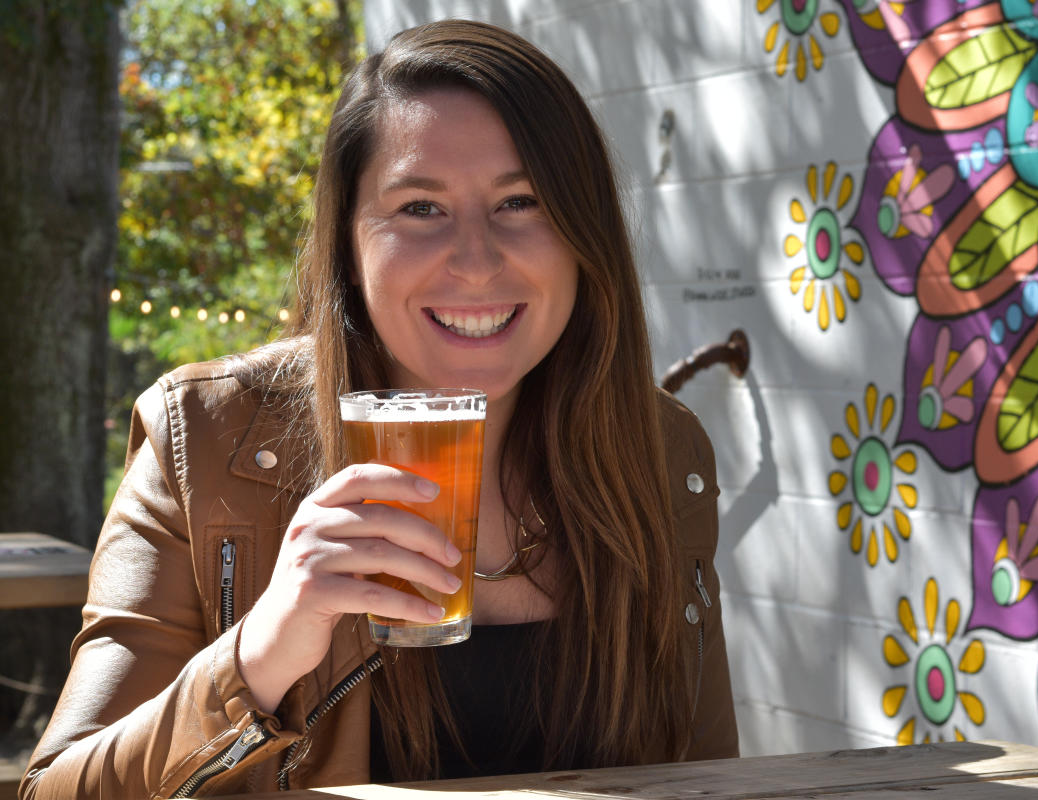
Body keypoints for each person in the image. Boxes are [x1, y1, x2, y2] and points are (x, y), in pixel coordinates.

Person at [20, 18, 737, 798]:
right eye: (421, 209)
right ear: (349, 247)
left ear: (582, 237)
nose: (475, 260)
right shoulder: (205, 436)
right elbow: (57, 790)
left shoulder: (663, 451)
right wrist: (260, 653)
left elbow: (705, 775)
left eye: (521, 201)